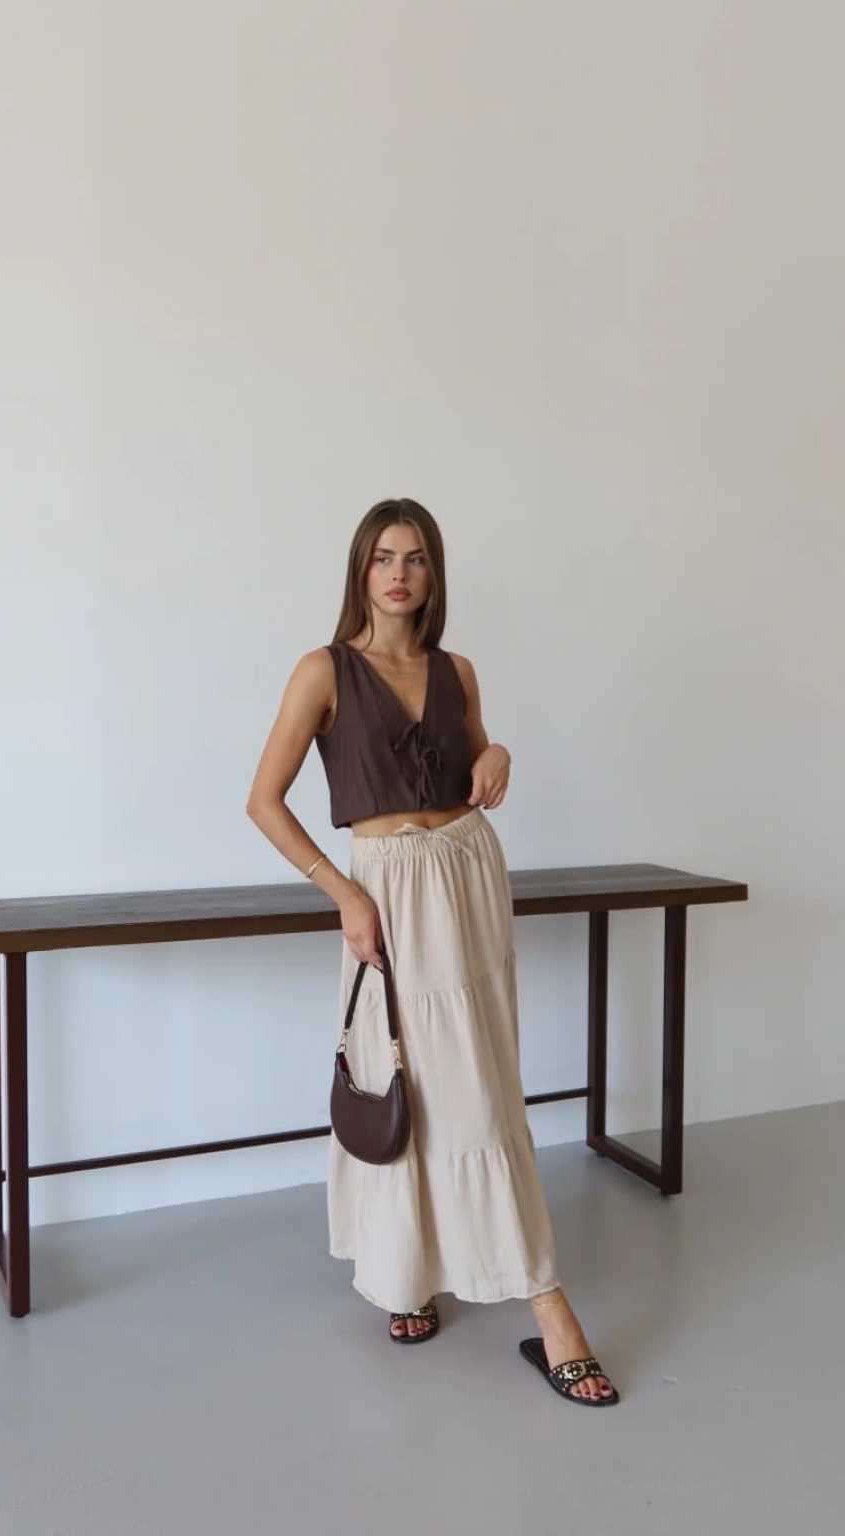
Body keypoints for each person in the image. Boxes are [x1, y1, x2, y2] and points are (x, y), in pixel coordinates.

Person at [246, 498, 618, 1406]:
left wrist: (499, 753)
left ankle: (531, 1290)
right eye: (383, 557)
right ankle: (429, 1279)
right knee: (408, 1079)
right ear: (360, 569)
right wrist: (344, 894)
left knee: (481, 1082)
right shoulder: (324, 670)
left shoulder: (458, 670)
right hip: (388, 890)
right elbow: (264, 800)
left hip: (469, 874)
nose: (399, 573)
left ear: (433, 573)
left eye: (414, 558)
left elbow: (472, 760)